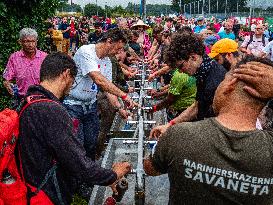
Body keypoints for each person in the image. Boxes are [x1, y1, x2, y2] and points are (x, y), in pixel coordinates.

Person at [144, 56, 273, 205]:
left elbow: (150, 169)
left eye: (223, 79)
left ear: (229, 85)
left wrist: (159, 146)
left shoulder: (178, 136)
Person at [19, 52, 131, 205]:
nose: (73, 86)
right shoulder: (51, 111)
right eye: (73, 80)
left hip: (30, 186)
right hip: (46, 194)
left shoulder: (29, 100)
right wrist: (112, 175)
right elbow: (78, 164)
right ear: (66, 74)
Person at [63, 28, 134, 160]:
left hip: (90, 105)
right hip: (73, 105)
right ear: (109, 41)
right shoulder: (86, 52)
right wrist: (124, 95)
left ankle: (89, 173)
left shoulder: (107, 61)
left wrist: (119, 108)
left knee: (91, 143)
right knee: (76, 145)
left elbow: (108, 89)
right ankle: (76, 176)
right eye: (118, 48)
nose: (119, 52)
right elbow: (99, 79)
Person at [150, 32, 227, 138]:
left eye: (181, 66)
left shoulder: (214, 79)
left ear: (193, 57)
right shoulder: (204, 71)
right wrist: (170, 124)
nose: (181, 72)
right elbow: (197, 106)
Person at [3, 28, 47, 104]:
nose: (30, 45)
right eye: (27, 41)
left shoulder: (44, 57)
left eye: (33, 41)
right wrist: (7, 84)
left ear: (36, 42)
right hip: (21, 99)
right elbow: (7, 78)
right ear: (20, 42)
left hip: (42, 98)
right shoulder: (14, 57)